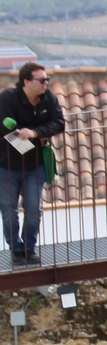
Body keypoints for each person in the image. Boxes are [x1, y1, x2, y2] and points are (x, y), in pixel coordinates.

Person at [0, 63, 61, 267]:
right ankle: (16, 251)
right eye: (42, 80)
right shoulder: (8, 98)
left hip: (35, 166)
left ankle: (29, 249)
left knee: (34, 210)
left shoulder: (48, 98)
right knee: (9, 211)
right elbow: (6, 127)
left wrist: (36, 133)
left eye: (47, 80)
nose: (46, 83)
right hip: (6, 166)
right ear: (26, 82)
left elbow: (59, 122)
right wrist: (37, 135)